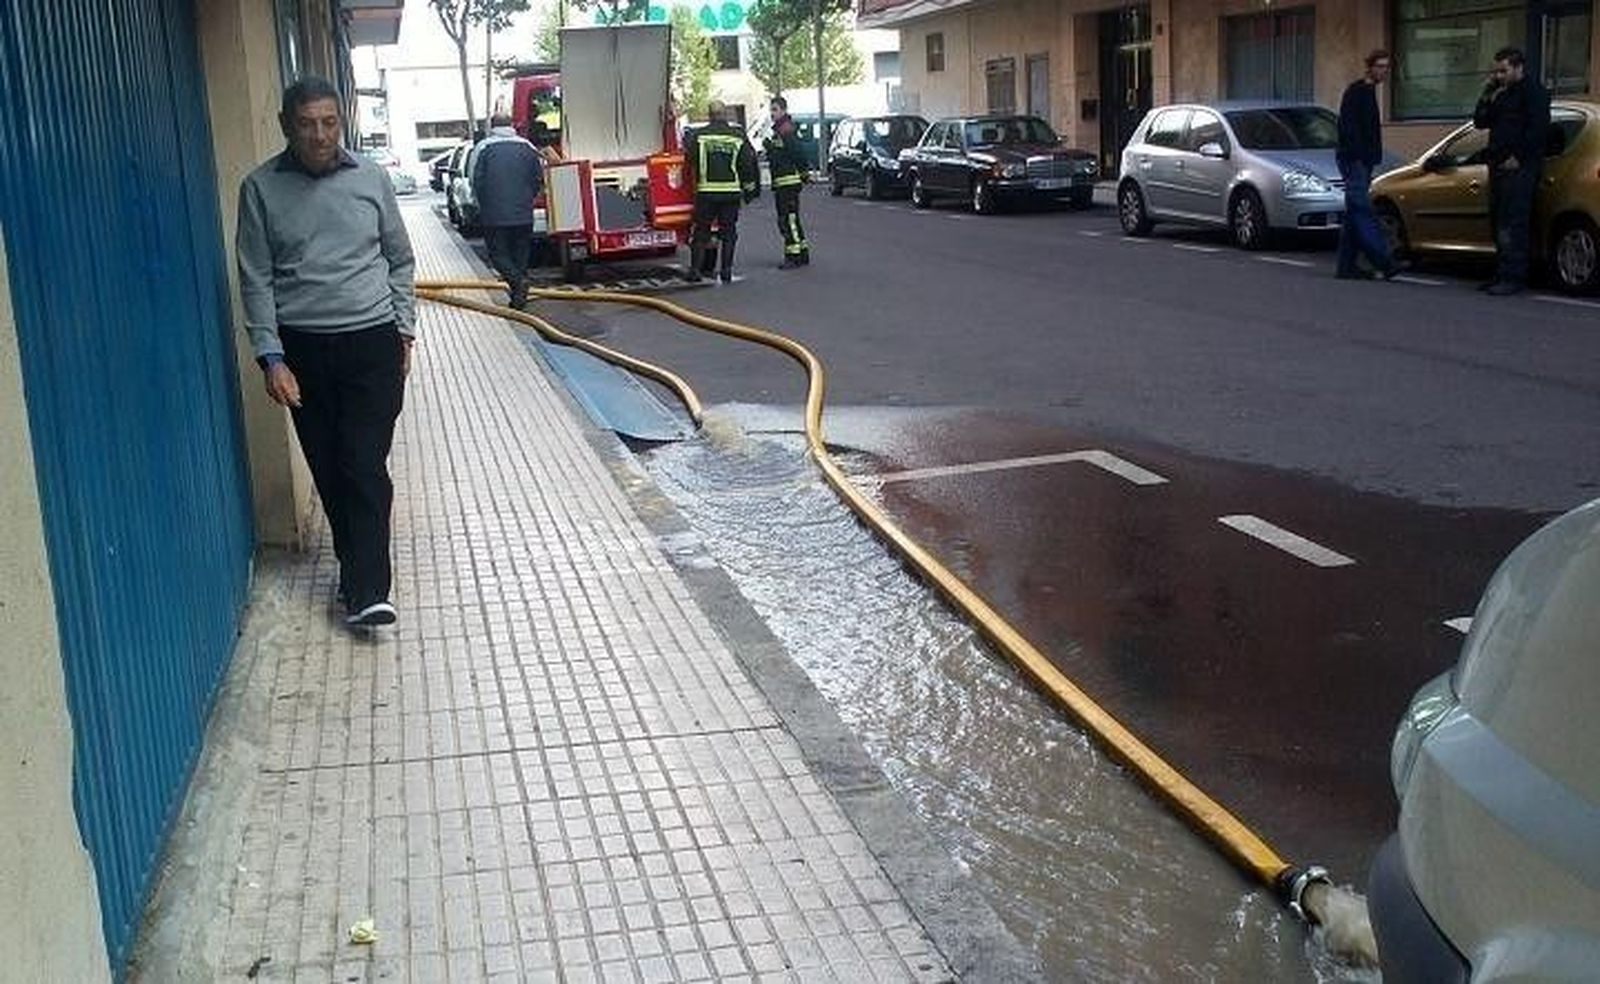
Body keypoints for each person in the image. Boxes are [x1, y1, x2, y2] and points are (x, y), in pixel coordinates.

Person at [237, 77, 416, 628]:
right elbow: (255, 278)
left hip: (372, 343)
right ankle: (356, 573)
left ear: (343, 122)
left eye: (330, 122)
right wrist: (271, 357)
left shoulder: (371, 179)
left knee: (363, 464)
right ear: (287, 125)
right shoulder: (260, 188)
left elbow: (400, 259)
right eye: (308, 123)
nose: (320, 135)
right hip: (302, 350)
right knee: (330, 468)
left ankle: (368, 591)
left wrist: (403, 329)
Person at [1473, 46, 1551, 296]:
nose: (1499, 76)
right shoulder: (1502, 94)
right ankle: (1501, 272)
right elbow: (1480, 121)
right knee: (1498, 220)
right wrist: (1486, 93)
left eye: (1503, 71)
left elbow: (1538, 129)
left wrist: (1519, 157)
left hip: (1520, 166)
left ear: (1518, 67)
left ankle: (1514, 276)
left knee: (1513, 222)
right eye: (1496, 71)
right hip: (1497, 164)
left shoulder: (1534, 93)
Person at [1335, 50, 1402, 281]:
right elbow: (1348, 128)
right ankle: (1385, 260)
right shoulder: (1357, 92)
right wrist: (1359, 157)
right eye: (1380, 66)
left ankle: (1346, 266)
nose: (1384, 71)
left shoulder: (1369, 91)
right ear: (1370, 67)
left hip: (1363, 160)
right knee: (1362, 209)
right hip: (1355, 160)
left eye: (1386, 67)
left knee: (1354, 212)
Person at [472, 115, 544, 310]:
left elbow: (475, 180)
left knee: (498, 254)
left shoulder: (483, 148)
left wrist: (481, 203)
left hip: (494, 214)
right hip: (523, 212)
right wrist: (527, 197)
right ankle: (519, 297)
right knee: (520, 254)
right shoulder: (527, 147)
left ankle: (518, 284)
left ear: (492, 127)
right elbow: (538, 178)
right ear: (512, 125)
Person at [683, 101, 760, 284]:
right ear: (725, 114)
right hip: (730, 193)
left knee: (702, 232)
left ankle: (695, 271)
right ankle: (726, 271)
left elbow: (689, 159)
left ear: (709, 115)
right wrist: (749, 190)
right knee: (729, 233)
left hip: (706, 192)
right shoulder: (738, 136)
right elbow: (748, 163)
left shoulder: (698, 136)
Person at [764, 96, 810, 269]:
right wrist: (771, 149)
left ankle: (793, 256)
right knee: (792, 219)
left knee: (787, 220)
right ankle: (802, 252)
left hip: (787, 182)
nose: (772, 113)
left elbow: (797, 153)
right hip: (784, 182)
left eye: (775, 109)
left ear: (784, 110)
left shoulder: (786, 130)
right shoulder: (780, 130)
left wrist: (804, 173)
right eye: (771, 109)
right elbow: (781, 154)